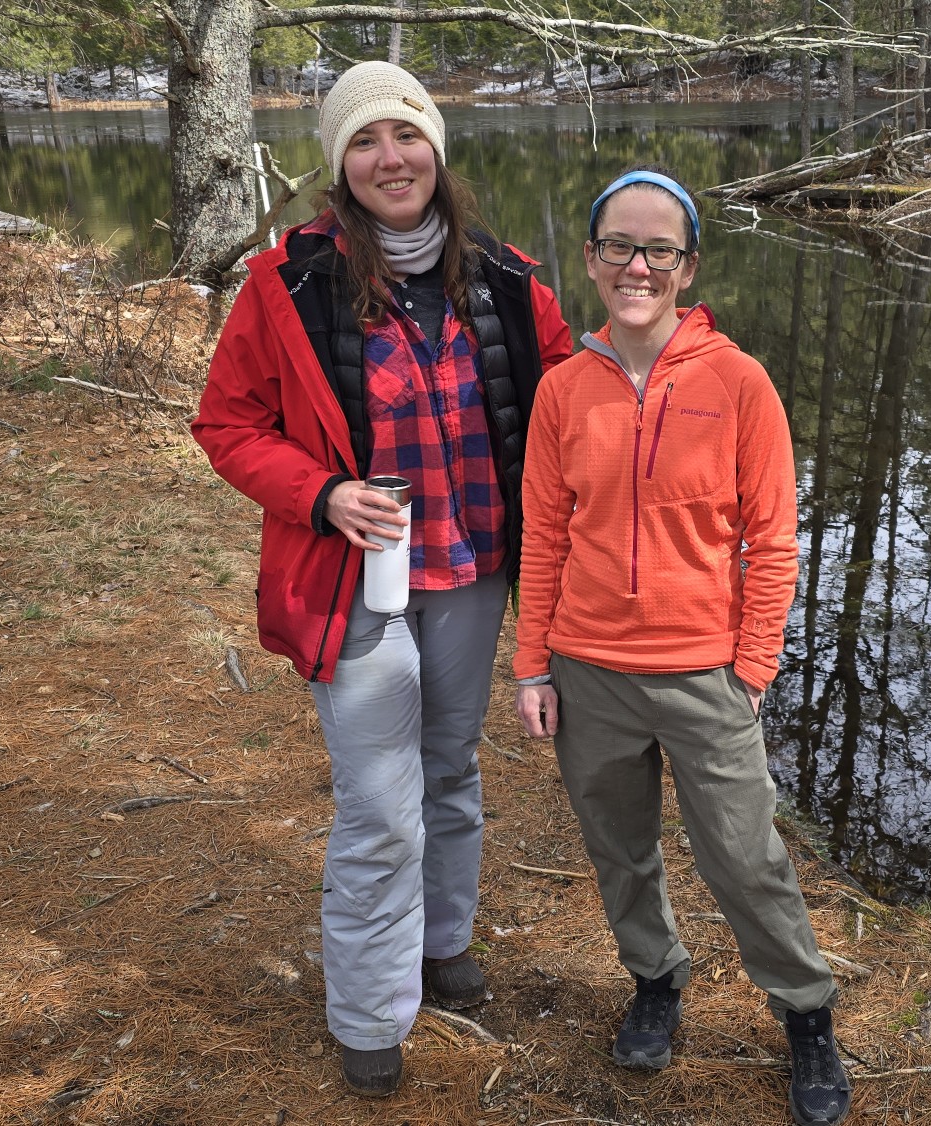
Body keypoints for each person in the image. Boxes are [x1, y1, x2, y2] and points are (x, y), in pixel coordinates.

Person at [192, 61, 572, 1098]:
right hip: (348, 580)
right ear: (339, 164)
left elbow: (566, 418)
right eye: (363, 141)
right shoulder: (284, 283)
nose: (388, 157)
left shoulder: (508, 277)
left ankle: (443, 943)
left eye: (404, 135)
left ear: (435, 150)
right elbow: (226, 425)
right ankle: (367, 1004)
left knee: (448, 767)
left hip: (471, 570)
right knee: (377, 801)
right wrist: (322, 494)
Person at [511, 168, 852, 1126]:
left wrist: (752, 666)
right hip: (589, 671)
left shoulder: (739, 384)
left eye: (660, 249)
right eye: (619, 244)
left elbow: (773, 539)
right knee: (620, 851)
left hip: (704, 672)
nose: (638, 265)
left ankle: (806, 1015)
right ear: (590, 258)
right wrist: (532, 663)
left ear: (688, 268)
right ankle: (655, 979)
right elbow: (543, 535)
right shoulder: (562, 393)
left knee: (746, 858)